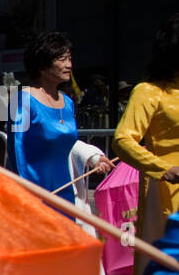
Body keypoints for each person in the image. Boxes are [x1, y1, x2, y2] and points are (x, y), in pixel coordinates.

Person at [114, 12, 179, 275]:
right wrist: (161, 167)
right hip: (166, 188)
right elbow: (123, 140)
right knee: (167, 260)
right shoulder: (149, 92)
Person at [9, 31, 113, 229]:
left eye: (70, 58)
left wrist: (94, 158)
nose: (69, 65)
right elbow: (16, 151)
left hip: (67, 190)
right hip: (36, 192)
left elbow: (69, 143)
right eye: (61, 59)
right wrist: (28, 192)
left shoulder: (68, 103)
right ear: (42, 64)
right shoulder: (22, 100)